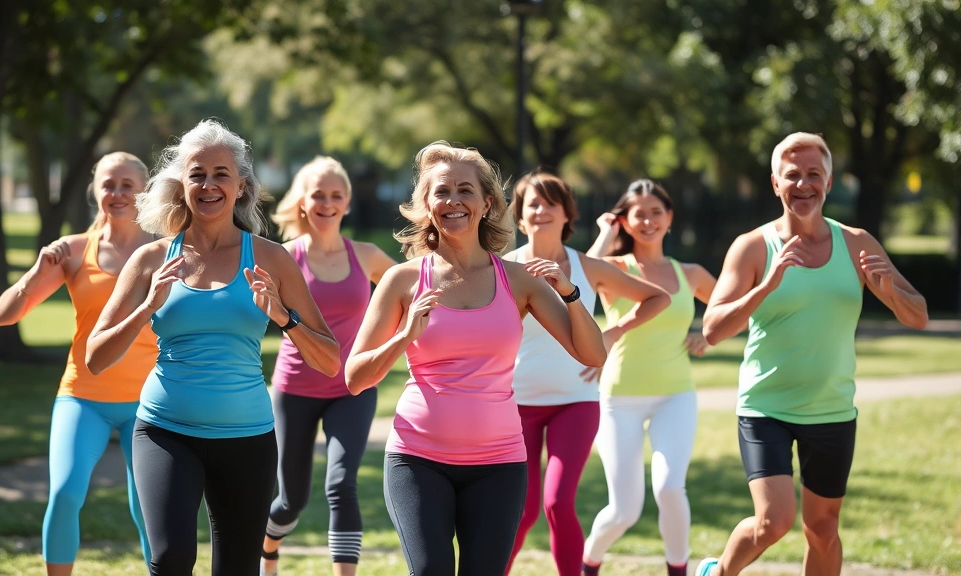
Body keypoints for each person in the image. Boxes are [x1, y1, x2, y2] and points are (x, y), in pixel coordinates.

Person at [86, 119, 341, 576]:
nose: (208, 184)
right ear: (180, 184)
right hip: (166, 431)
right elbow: (96, 356)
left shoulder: (271, 258)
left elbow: (329, 360)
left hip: (247, 438)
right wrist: (147, 307)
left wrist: (284, 317)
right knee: (170, 559)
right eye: (197, 173)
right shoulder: (151, 259)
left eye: (221, 173)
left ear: (241, 185)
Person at [345, 142, 611, 576]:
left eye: (465, 190)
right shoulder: (403, 280)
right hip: (418, 458)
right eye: (441, 192)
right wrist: (404, 337)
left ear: (487, 203)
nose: (453, 201)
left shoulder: (520, 279)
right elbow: (355, 378)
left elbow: (592, 353)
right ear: (426, 206)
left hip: (499, 464)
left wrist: (569, 293)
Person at [695, 132, 928, 576]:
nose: (804, 184)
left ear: (829, 180)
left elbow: (917, 315)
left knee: (822, 528)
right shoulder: (752, 247)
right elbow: (712, 328)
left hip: (831, 409)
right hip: (767, 406)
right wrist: (767, 285)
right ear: (775, 183)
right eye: (793, 175)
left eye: (814, 174)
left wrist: (889, 292)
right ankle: (719, 571)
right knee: (773, 521)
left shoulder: (857, 243)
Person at [0, 152, 156, 576]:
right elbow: (4, 315)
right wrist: (37, 269)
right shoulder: (75, 251)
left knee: (150, 510)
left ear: (144, 191)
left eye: (127, 185)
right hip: (83, 396)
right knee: (65, 493)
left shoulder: (164, 251)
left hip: (150, 403)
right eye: (108, 184)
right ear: (95, 191)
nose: (117, 193)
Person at [502, 172, 672, 576]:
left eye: (551, 203)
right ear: (521, 218)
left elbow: (657, 297)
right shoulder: (503, 269)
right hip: (514, 405)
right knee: (520, 513)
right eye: (532, 205)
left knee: (558, 503)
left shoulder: (588, 266)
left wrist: (610, 335)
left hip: (574, 403)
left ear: (567, 214)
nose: (541, 210)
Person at [261, 156, 396, 576]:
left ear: (348, 203)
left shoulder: (368, 256)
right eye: (318, 194)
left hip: (352, 387)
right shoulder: (284, 257)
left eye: (336, 195)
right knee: (291, 500)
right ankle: (267, 550)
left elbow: (411, 290)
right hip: (295, 389)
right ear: (302, 201)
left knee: (341, 485)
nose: (327, 202)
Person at [579, 179, 717, 576]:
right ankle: (588, 564)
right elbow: (579, 278)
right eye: (638, 213)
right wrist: (606, 234)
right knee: (623, 510)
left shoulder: (689, 273)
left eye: (657, 211)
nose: (648, 220)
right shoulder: (615, 269)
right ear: (626, 220)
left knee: (670, 488)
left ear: (670, 218)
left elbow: (734, 303)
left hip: (675, 395)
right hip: (619, 396)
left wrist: (708, 332)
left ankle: (679, 572)